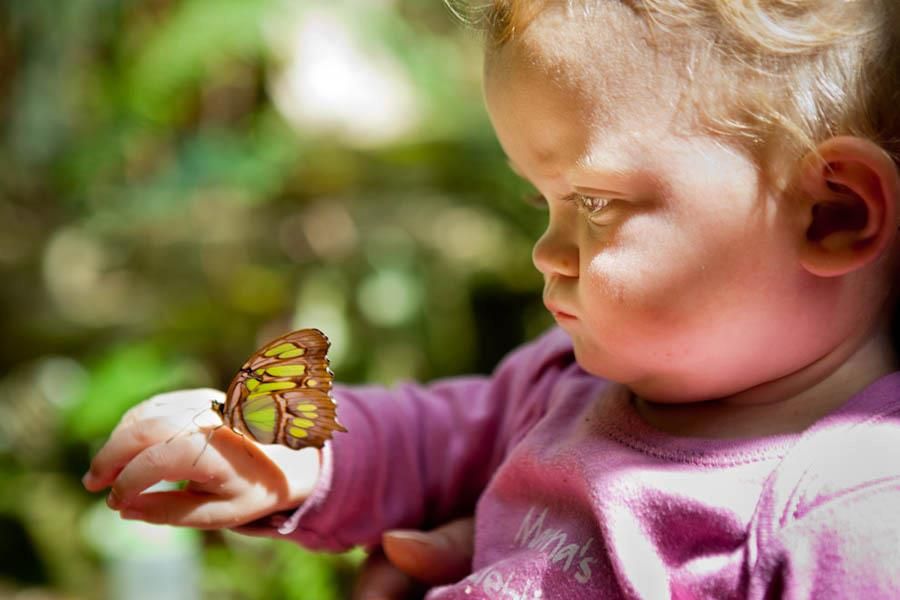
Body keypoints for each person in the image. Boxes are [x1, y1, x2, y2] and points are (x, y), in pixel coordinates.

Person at [83, 0, 900, 597]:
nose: (545, 252)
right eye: (538, 202)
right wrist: (299, 459)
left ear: (832, 214)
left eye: (594, 202)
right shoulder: (566, 384)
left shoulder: (847, 514)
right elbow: (434, 436)